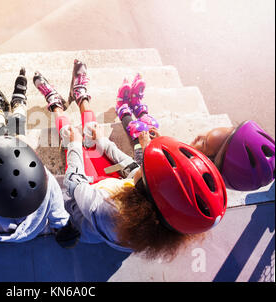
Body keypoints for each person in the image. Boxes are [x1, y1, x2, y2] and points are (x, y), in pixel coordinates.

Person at [33, 59, 227, 260]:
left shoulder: (107, 211)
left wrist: (74, 143)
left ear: (147, 185)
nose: (140, 161)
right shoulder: (158, 210)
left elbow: (75, 183)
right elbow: (132, 169)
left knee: (73, 138)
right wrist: (102, 142)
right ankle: (80, 95)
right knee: (93, 138)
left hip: (85, 205)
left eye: (146, 165)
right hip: (112, 192)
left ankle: (55, 104)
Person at [0, 69, 80, 275]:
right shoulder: (47, 184)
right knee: (18, 141)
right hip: (30, 232)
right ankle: (17, 105)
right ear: (41, 176)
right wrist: (65, 235)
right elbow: (59, 220)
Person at [115, 75, 275, 191]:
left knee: (139, 132)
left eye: (203, 142)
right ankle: (139, 109)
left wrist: (146, 147)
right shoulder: (204, 183)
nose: (198, 136)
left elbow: (144, 178)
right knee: (151, 127)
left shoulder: (174, 180)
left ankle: (124, 111)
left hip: (141, 173)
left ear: (206, 163)